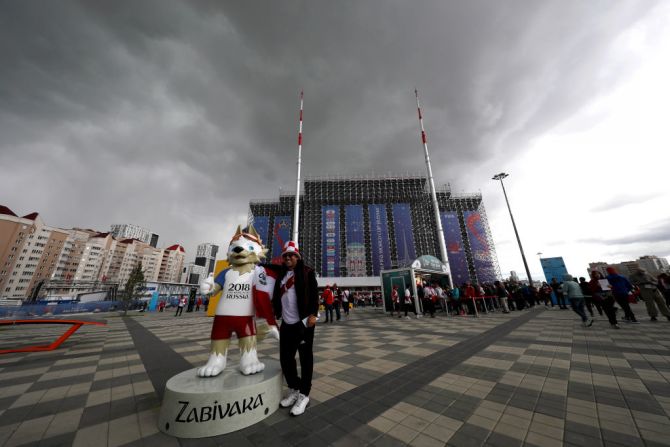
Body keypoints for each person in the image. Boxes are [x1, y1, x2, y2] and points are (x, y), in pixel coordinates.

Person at [272, 241, 319, 417]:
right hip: (286, 324)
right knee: (285, 359)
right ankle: (294, 389)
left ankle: (304, 395)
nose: (288, 258)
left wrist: (314, 315)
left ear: (298, 257)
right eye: (285, 255)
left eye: (292, 255)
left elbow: (315, 295)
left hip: (304, 323)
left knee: (306, 359)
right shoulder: (281, 275)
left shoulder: (307, 272)